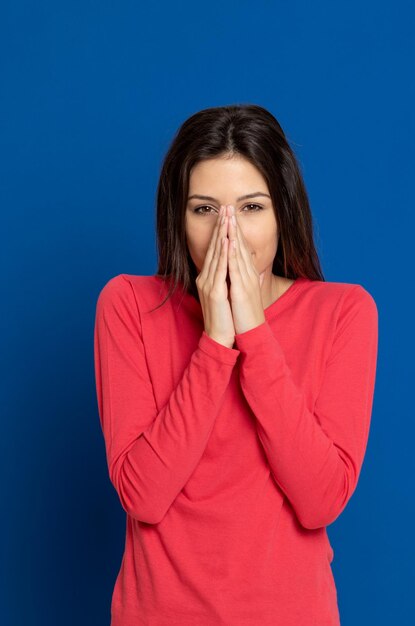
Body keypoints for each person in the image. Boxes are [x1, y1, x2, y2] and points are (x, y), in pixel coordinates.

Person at [93, 103, 379, 625]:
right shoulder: (129, 305)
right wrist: (216, 339)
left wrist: (254, 333)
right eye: (204, 209)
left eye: (251, 208)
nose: (230, 235)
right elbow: (143, 496)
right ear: (176, 218)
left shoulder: (344, 312)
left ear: (282, 212)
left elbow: (320, 502)